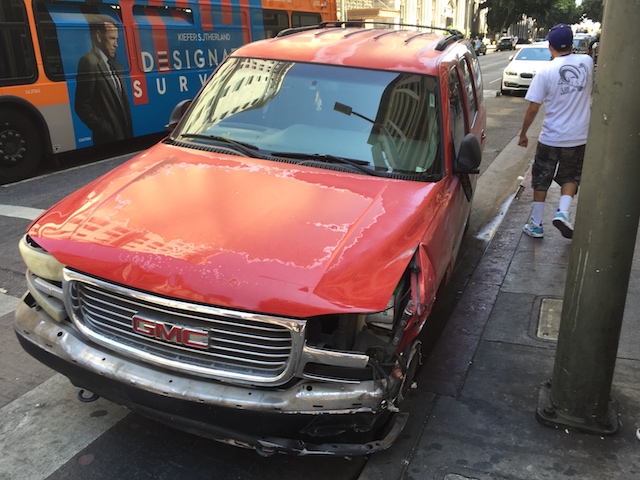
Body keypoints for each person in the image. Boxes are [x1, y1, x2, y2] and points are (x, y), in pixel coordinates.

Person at [518, 24, 594, 239]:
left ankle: (537, 223)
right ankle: (563, 212)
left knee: (542, 177)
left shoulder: (545, 71)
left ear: (550, 46)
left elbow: (533, 107)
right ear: (572, 43)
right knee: (571, 176)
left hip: (551, 136)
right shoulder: (587, 62)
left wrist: (523, 134)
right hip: (578, 137)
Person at [75, 15, 133, 145]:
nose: (116, 44)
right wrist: (105, 129)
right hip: (108, 138)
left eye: (116, 39)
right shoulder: (89, 62)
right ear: (99, 37)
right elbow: (82, 106)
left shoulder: (117, 66)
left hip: (125, 134)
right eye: (112, 38)